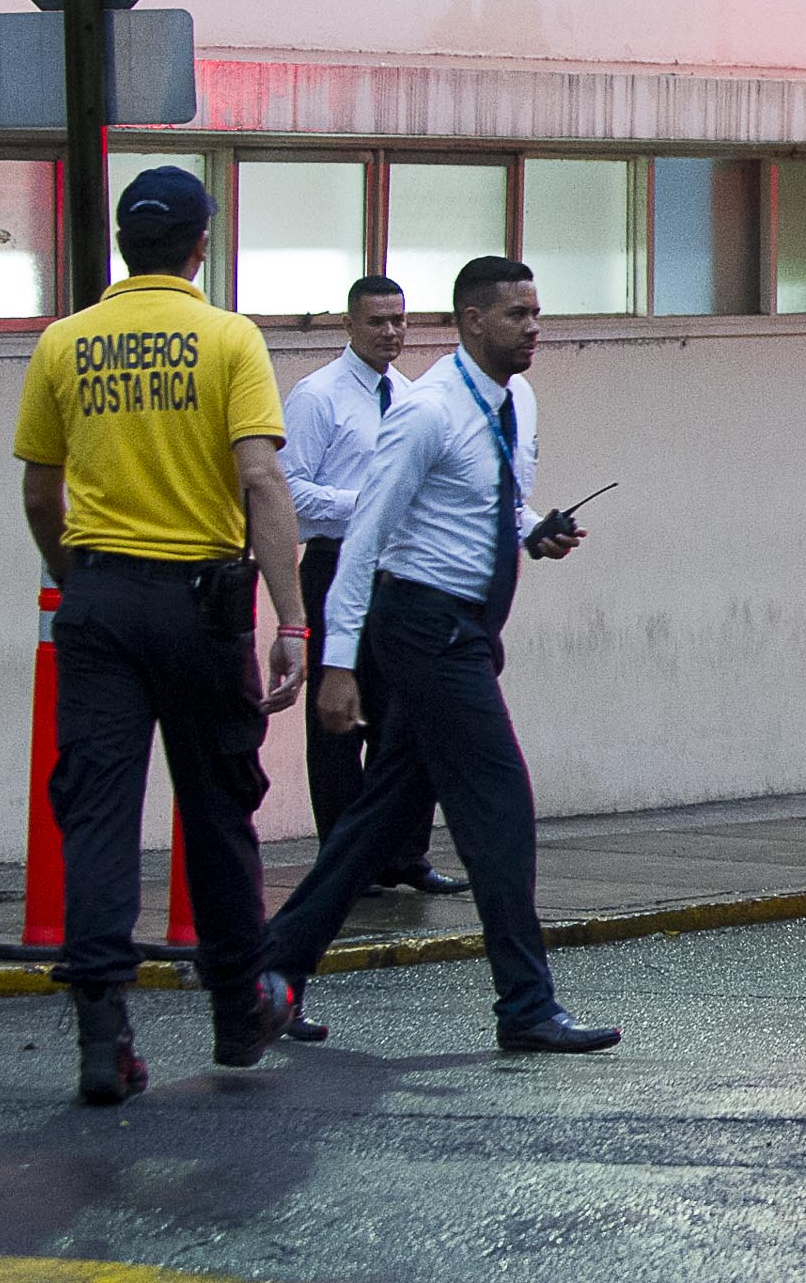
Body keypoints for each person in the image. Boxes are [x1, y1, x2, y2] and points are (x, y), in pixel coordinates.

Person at [255, 255, 617, 1055]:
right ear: (472, 321)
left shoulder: (516, 399)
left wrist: (533, 531)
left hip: (468, 633)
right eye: (517, 314)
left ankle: (269, 977)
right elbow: (365, 542)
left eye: (536, 312)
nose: (533, 328)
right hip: (424, 628)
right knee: (500, 810)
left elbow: (496, 500)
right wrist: (338, 664)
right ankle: (525, 1005)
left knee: (374, 822)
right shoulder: (426, 412)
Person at [12, 165, 309, 1105]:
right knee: (218, 807)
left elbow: (37, 492)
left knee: (97, 812)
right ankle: (238, 1010)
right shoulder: (227, 339)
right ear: (200, 245)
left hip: (98, 601)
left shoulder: (65, 343)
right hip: (201, 606)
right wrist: (292, 618)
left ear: (120, 242)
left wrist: (82, 584)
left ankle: (104, 1034)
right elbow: (260, 482)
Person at [280, 276, 461, 908]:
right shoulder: (318, 397)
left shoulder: (414, 398)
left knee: (404, 716)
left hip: (400, 571)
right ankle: (347, 860)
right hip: (336, 564)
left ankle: (406, 856)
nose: (391, 332)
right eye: (378, 321)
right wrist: (368, 504)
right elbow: (291, 493)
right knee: (337, 722)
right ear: (350, 326)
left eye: (400, 321)